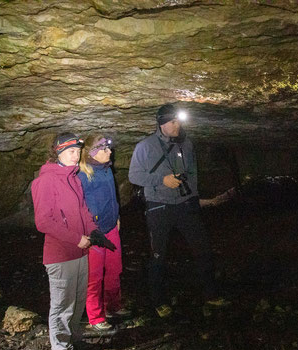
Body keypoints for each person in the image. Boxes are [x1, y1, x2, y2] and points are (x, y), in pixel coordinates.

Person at [128, 103, 227, 318]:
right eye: (173, 122)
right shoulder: (145, 146)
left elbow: (192, 173)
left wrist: (194, 198)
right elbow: (134, 176)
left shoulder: (187, 144)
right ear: (162, 124)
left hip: (185, 206)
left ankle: (210, 293)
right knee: (158, 254)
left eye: (179, 121)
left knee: (202, 248)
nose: (177, 125)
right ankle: (157, 300)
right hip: (159, 207)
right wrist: (161, 180)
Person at [31, 133, 95, 350]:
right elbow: (43, 222)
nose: (76, 156)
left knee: (78, 300)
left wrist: (93, 231)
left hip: (80, 252)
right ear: (57, 152)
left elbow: (82, 211)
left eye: (78, 151)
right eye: (70, 152)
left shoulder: (74, 178)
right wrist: (76, 238)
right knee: (62, 303)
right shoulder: (46, 181)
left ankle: (74, 340)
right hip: (60, 254)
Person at [78, 136, 131, 335]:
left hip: (110, 228)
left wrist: (116, 215)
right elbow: (80, 207)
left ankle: (113, 306)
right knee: (94, 276)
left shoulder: (107, 169)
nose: (110, 152)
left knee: (115, 270)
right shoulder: (83, 175)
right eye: (105, 148)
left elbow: (112, 195)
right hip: (95, 234)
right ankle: (96, 317)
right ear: (92, 152)